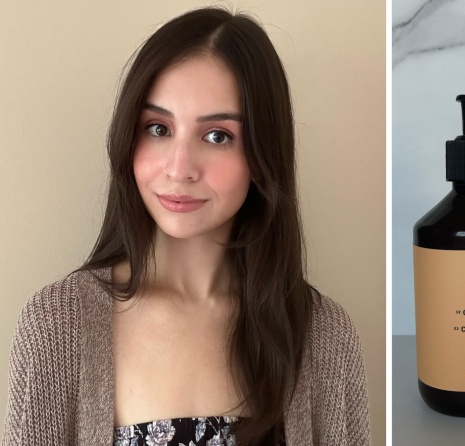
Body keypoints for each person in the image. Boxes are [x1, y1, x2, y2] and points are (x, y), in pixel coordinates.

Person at [1, 6, 370, 446]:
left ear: (262, 155)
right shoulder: (57, 327)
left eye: (217, 136)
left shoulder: (324, 335)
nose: (180, 169)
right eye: (157, 128)